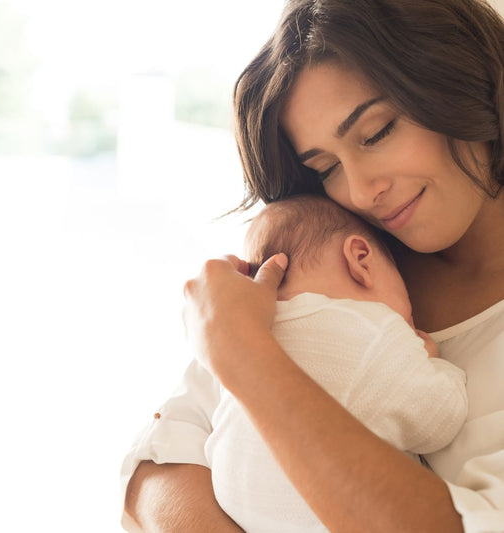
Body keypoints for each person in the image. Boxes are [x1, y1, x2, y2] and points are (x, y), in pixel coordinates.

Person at [122, 1, 504, 531]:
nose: (363, 192)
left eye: (376, 133)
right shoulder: (335, 263)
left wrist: (248, 359)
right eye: (326, 168)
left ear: (459, 78)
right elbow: (154, 473)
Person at [205, 194, 468, 532]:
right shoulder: (372, 330)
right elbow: (439, 421)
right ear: (361, 259)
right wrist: (435, 364)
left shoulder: (245, 334)